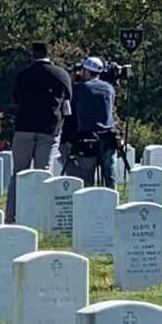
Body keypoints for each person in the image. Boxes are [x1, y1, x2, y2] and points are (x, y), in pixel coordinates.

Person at [8, 43, 70, 219]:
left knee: (19, 174)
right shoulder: (61, 75)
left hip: (24, 127)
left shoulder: (22, 75)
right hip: (49, 129)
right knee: (43, 173)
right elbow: (68, 101)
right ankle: (42, 217)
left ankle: (12, 215)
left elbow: (15, 99)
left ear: (32, 54)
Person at [66, 56, 119, 187]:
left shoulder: (80, 89)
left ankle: (89, 203)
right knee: (110, 176)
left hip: (87, 139)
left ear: (87, 71)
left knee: (87, 178)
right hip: (108, 138)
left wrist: (73, 78)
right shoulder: (109, 88)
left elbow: (71, 108)